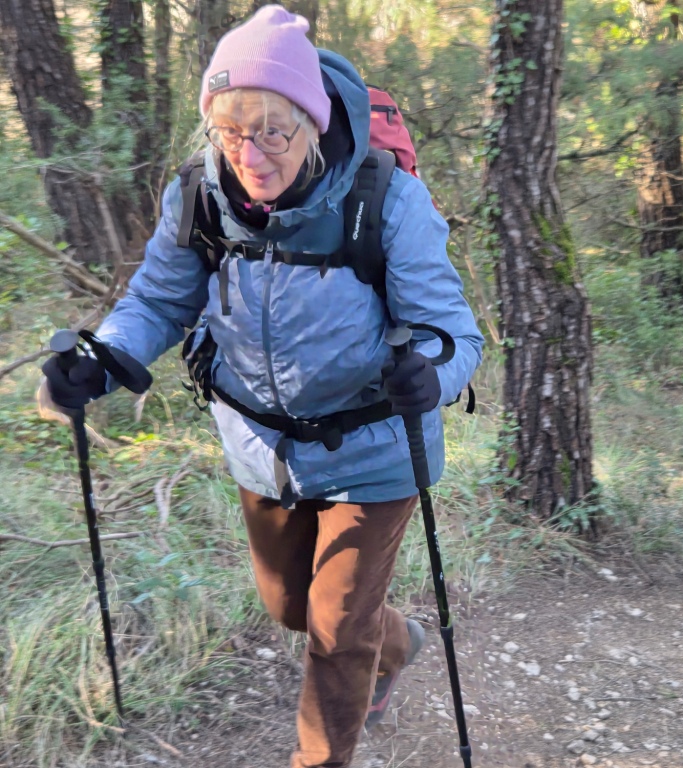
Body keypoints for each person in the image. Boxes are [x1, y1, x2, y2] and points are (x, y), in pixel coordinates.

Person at [41, 6, 484, 766]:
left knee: (335, 630)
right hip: (261, 449)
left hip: (375, 448)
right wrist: (102, 359)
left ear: (312, 123)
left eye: (273, 131)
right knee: (291, 607)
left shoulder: (386, 201)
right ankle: (397, 642)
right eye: (230, 131)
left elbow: (453, 334)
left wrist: (431, 375)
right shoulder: (198, 195)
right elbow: (158, 302)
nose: (250, 154)